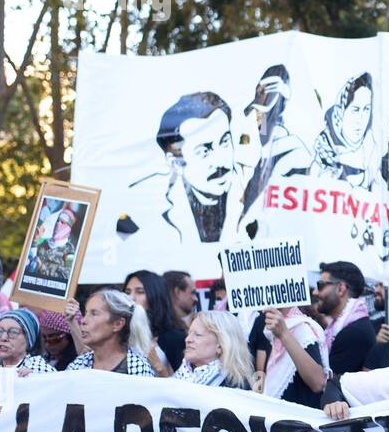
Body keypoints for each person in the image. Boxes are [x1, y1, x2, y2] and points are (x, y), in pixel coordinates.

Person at [127, 91, 245, 244]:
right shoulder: (142, 202)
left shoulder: (254, 186)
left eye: (225, 142)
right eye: (204, 151)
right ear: (176, 162)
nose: (221, 161)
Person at [237, 64, 315, 217]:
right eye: (257, 110)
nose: (258, 116)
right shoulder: (257, 155)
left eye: (266, 112)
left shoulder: (295, 154)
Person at [66, 289, 157, 376]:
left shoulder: (138, 370)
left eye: (94, 314)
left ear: (118, 324)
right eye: (86, 313)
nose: (83, 321)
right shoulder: (78, 366)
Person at [320, 260, 383, 375]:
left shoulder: (354, 333)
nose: (315, 292)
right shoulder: (346, 327)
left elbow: (327, 384)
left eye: (320, 286)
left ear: (341, 289)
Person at [314, 72, 376, 186]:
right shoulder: (323, 152)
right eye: (355, 110)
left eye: (366, 109)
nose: (361, 119)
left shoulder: (374, 152)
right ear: (341, 112)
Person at [258, 307, 328, 406]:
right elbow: (260, 371)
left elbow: (318, 382)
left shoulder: (303, 329)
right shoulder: (269, 330)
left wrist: (284, 334)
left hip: (300, 417)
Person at [174, 311, 255, 388]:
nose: (187, 339)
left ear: (220, 345)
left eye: (198, 335)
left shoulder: (237, 387)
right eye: (189, 333)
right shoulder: (176, 379)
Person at [124, 270, 186, 371]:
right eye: (127, 292)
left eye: (140, 292)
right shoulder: (119, 334)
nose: (131, 297)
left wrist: (160, 368)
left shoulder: (174, 338)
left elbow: (183, 382)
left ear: (155, 296)